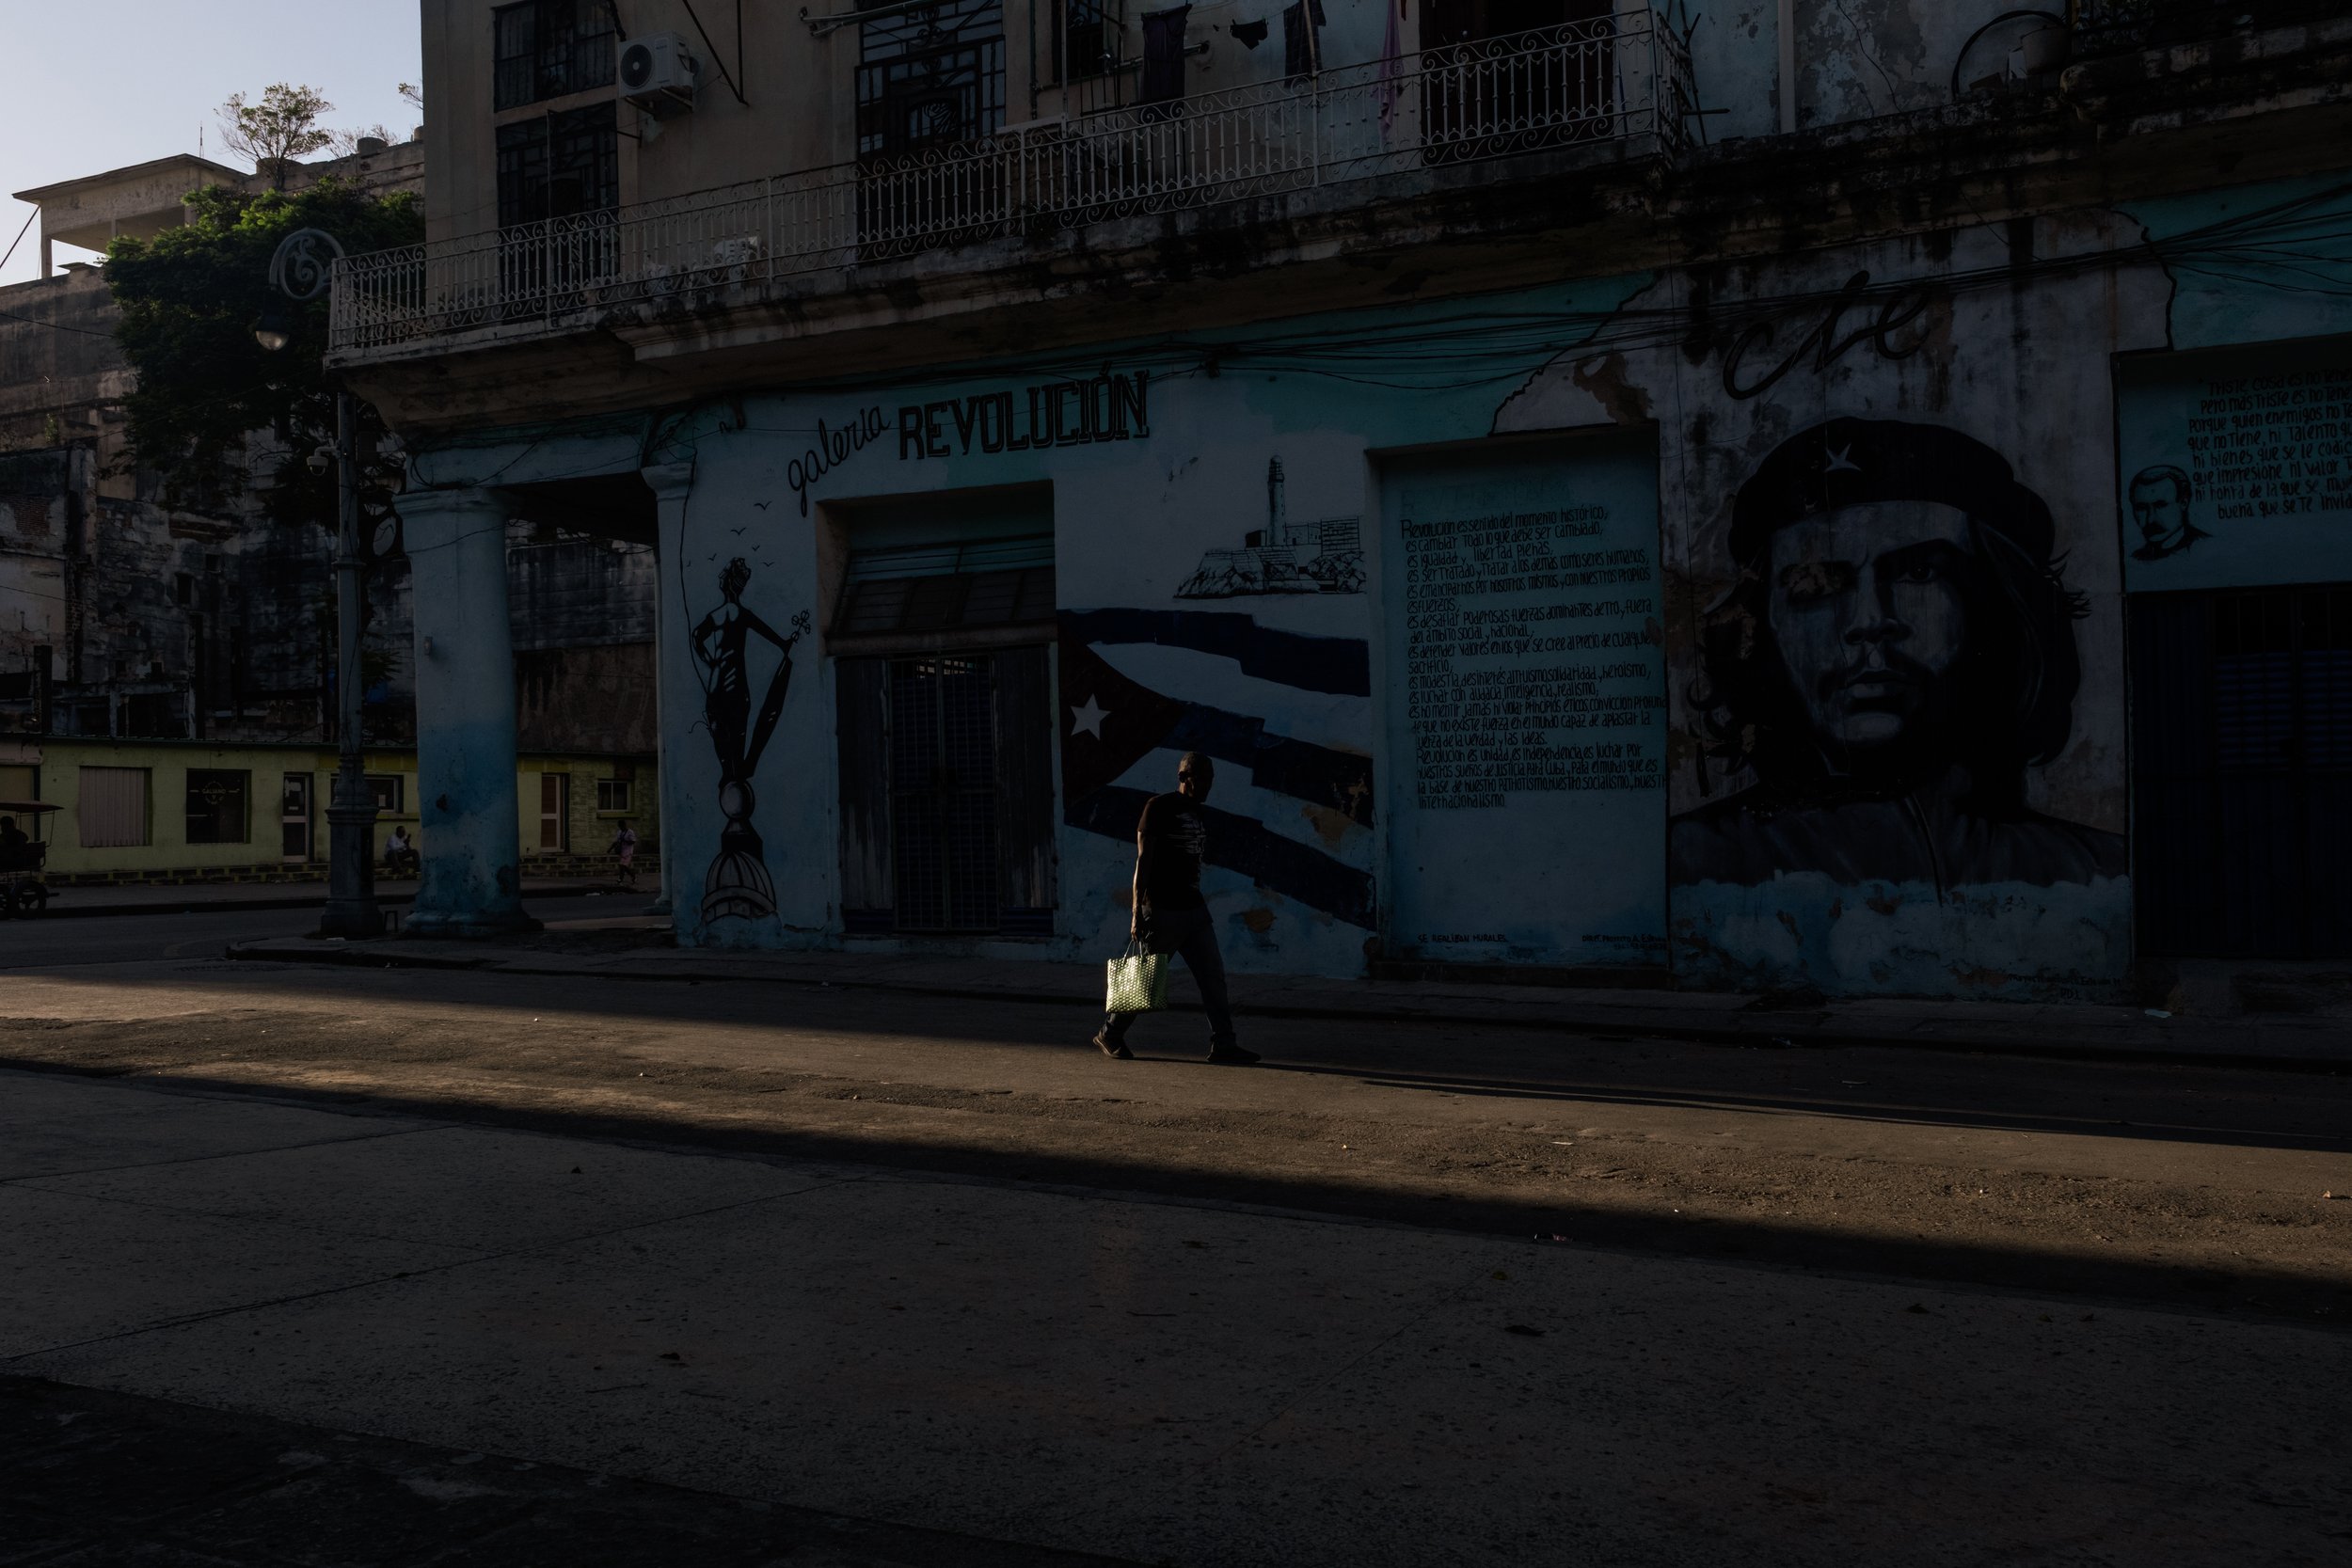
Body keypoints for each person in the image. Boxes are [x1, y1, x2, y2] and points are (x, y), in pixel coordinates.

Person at [1673, 417, 2125, 895]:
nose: (1869, 620)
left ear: (1998, 605)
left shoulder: (2097, 875)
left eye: (1918, 573)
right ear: (1762, 624)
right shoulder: (1690, 866)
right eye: (1815, 583)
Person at [1092, 752, 1259, 1065]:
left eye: (1211, 779)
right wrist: (1137, 912)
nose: (1207, 785)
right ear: (1184, 778)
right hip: (1162, 911)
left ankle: (1224, 1044)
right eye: (1201, 778)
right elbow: (1143, 861)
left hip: (1195, 910)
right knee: (1145, 979)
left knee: (1213, 978)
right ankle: (1110, 1033)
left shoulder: (1197, 811)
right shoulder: (1158, 807)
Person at [2127, 466, 2211, 562]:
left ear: (2183, 503)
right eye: (2141, 508)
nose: (2150, 519)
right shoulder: (2136, 558)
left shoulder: (2207, 547)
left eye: (2160, 505)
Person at [611, 821, 640, 887]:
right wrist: (610, 849)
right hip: (622, 851)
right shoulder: (619, 832)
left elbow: (633, 841)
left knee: (622, 865)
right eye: (620, 826)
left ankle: (620, 879)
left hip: (628, 852)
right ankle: (633, 875)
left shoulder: (630, 832)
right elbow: (616, 841)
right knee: (624, 866)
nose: (621, 828)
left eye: (622, 826)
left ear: (625, 825)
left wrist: (624, 840)